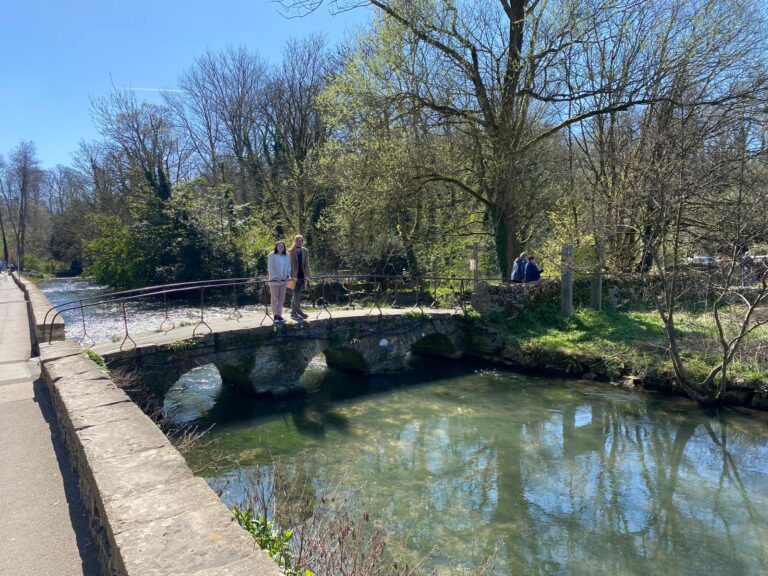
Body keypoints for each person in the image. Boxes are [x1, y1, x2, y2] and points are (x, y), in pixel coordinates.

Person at [287, 234, 310, 321]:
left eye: (301, 241)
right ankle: (297, 311)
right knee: (296, 294)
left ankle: (294, 311)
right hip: (294, 275)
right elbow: (289, 264)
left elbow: (306, 263)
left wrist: (307, 275)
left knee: (297, 294)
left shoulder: (305, 250)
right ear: (294, 241)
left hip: (302, 275)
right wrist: (292, 276)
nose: (299, 242)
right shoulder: (290, 251)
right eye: (297, 240)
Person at [267, 241, 290, 323]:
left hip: (284, 281)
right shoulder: (271, 255)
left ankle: (279, 315)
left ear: (284, 247)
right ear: (276, 247)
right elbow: (270, 268)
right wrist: (276, 277)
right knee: (274, 298)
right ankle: (275, 316)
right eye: (279, 246)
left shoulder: (286, 255)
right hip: (274, 280)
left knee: (281, 299)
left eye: (282, 246)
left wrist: (287, 275)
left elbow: (289, 266)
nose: (281, 248)